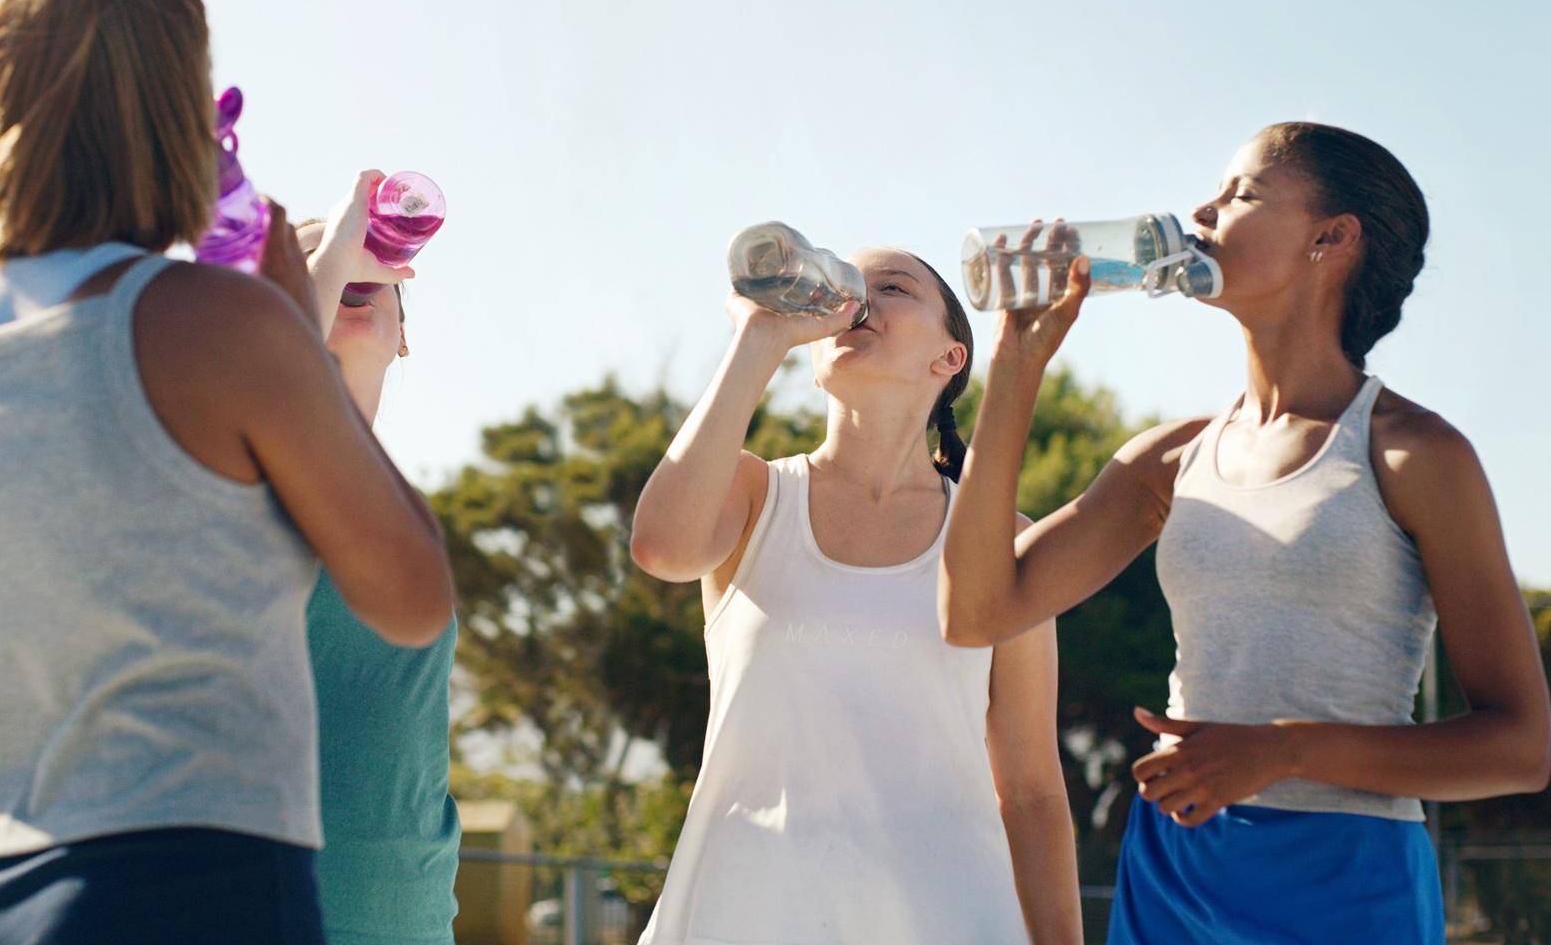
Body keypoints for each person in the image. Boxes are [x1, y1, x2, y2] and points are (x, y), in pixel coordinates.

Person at [0, 0, 455, 943]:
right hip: (198, 891)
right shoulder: (219, 326)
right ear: (184, 108)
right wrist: (292, 332)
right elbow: (411, 598)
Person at [939, 122, 1551, 943]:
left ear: (1331, 239)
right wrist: (1016, 368)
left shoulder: (1415, 454)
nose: (1203, 209)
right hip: (1175, 865)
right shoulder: (1170, 458)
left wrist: (1284, 750)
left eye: (1242, 193)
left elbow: (1520, 747)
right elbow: (976, 611)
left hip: (1343, 874)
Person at [632, 247, 1081, 943]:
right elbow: (661, 548)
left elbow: (1030, 791)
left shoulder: (1001, 540)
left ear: (950, 357)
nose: (856, 303)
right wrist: (760, 335)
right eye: (841, 289)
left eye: (890, 289)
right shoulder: (754, 497)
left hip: (953, 919)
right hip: (745, 913)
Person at [297, 220, 461, 945]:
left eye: (370, 261)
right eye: (313, 253)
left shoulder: (407, 517)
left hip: (406, 920)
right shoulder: (223, 480)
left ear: (403, 334)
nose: (345, 254)